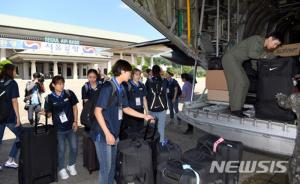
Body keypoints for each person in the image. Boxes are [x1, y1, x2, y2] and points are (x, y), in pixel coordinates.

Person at [92, 59, 154, 184]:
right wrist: (107, 133)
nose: (130, 75)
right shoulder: (108, 87)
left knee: (113, 165)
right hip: (103, 134)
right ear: (122, 71)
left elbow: (126, 108)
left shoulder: (121, 88)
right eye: (129, 72)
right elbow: (97, 111)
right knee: (106, 168)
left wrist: (144, 116)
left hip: (115, 133)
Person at [222, 32, 283, 117]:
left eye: (277, 45)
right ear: (270, 38)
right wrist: (266, 56)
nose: (275, 46)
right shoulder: (257, 39)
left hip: (237, 62)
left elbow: (254, 61)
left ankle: (238, 106)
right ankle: (235, 109)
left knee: (246, 83)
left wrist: (259, 71)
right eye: (275, 43)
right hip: (230, 59)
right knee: (240, 82)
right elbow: (252, 54)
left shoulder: (262, 48)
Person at [43, 76, 79, 180]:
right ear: (53, 85)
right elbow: (49, 114)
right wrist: (43, 113)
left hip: (70, 126)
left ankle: (71, 165)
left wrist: (76, 122)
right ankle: (62, 168)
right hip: (59, 129)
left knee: (74, 148)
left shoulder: (69, 93)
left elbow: (75, 108)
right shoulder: (49, 98)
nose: (61, 85)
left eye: (62, 83)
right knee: (61, 150)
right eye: (59, 84)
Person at [0, 64, 21, 169]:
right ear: (11, 71)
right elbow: (14, 101)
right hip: (9, 117)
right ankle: (11, 159)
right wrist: (18, 117)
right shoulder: (12, 83)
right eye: (14, 70)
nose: (15, 73)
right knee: (21, 135)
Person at [145, 65, 168, 143]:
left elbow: (146, 94)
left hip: (151, 107)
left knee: (152, 127)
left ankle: (152, 143)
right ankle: (160, 143)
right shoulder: (165, 81)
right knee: (161, 127)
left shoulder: (148, 81)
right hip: (162, 107)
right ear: (160, 71)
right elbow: (166, 92)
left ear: (152, 71)